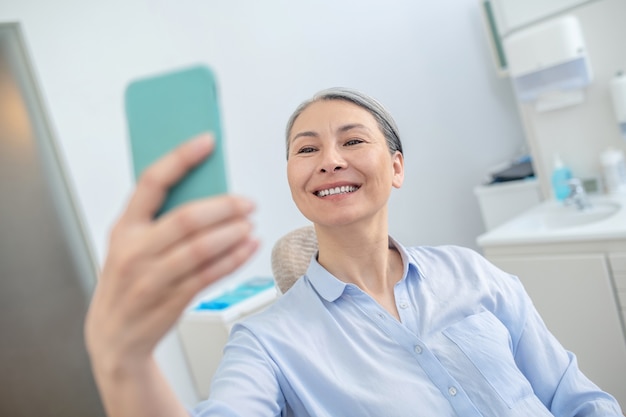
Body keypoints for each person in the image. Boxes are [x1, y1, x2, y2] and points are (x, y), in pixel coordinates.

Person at [85, 88, 624, 417]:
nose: (329, 160)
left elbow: (573, 397)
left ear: (396, 167)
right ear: (293, 180)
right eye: (306, 149)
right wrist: (124, 364)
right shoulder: (267, 344)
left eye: (353, 140)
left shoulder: (471, 271)